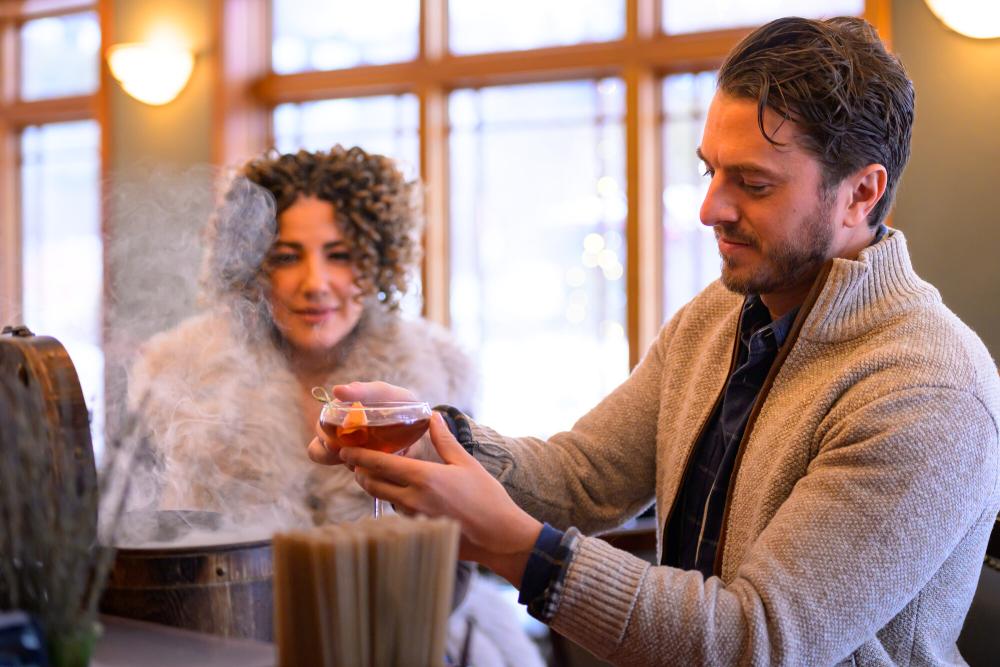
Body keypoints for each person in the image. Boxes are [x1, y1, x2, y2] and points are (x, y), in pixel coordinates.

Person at [308, 17, 1000, 666]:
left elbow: (754, 639)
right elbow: (581, 476)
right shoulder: (719, 314)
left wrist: (522, 550)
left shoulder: (928, 389)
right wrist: (422, 433)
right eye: (711, 171)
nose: (710, 209)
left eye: (753, 183)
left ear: (861, 193)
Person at [128, 146, 543, 667]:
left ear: (378, 259)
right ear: (254, 265)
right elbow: (147, 541)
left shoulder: (437, 373)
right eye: (286, 256)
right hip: (231, 641)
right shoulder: (176, 372)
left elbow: (456, 552)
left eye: (340, 254)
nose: (315, 283)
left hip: (409, 636)